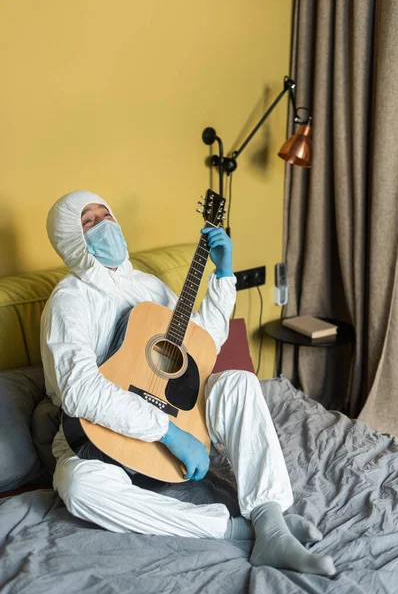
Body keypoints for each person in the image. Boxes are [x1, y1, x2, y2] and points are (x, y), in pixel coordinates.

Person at [40, 190, 335, 576]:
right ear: (70, 240)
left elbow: (199, 346)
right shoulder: (70, 300)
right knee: (79, 487)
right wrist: (169, 434)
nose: (105, 225)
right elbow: (80, 391)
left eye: (106, 215)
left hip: (172, 418)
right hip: (97, 438)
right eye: (89, 221)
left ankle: (268, 513)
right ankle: (244, 531)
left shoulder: (148, 287)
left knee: (238, 382)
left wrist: (224, 275)